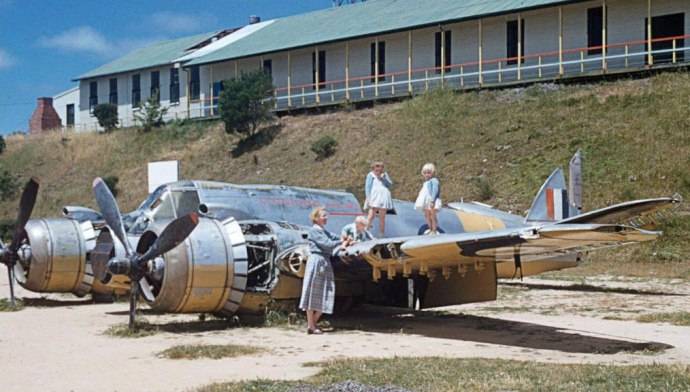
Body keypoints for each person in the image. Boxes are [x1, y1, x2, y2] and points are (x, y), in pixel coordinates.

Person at [300, 207, 349, 335]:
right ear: (316, 218)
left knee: (325, 292)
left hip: (324, 262)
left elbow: (333, 237)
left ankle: (312, 324)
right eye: (323, 216)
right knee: (313, 293)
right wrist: (341, 242)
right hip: (317, 261)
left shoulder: (323, 231)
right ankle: (311, 324)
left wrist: (346, 239)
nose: (326, 218)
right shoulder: (314, 231)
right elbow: (327, 244)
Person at [364, 161, 393, 238]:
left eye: (380, 170)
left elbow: (390, 184)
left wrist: (383, 178)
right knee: (371, 215)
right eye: (376, 170)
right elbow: (367, 187)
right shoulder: (370, 175)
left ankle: (381, 234)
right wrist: (368, 198)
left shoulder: (384, 175)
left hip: (383, 196)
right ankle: (365, 232)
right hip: (374, 196)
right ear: (373, 169)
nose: (378, 172)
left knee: (382, 217)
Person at [415, 163, 442, 235]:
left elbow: (435, 190)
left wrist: (432, 200)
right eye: (425, 173)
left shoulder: (434, 180)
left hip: (431, 200)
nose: (427, 174)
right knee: (427, 215)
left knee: (432, 215)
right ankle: (430, 229)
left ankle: (434, 230)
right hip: (426, 201)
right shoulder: (426, 182)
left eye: (429, 173)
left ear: (432, 173)